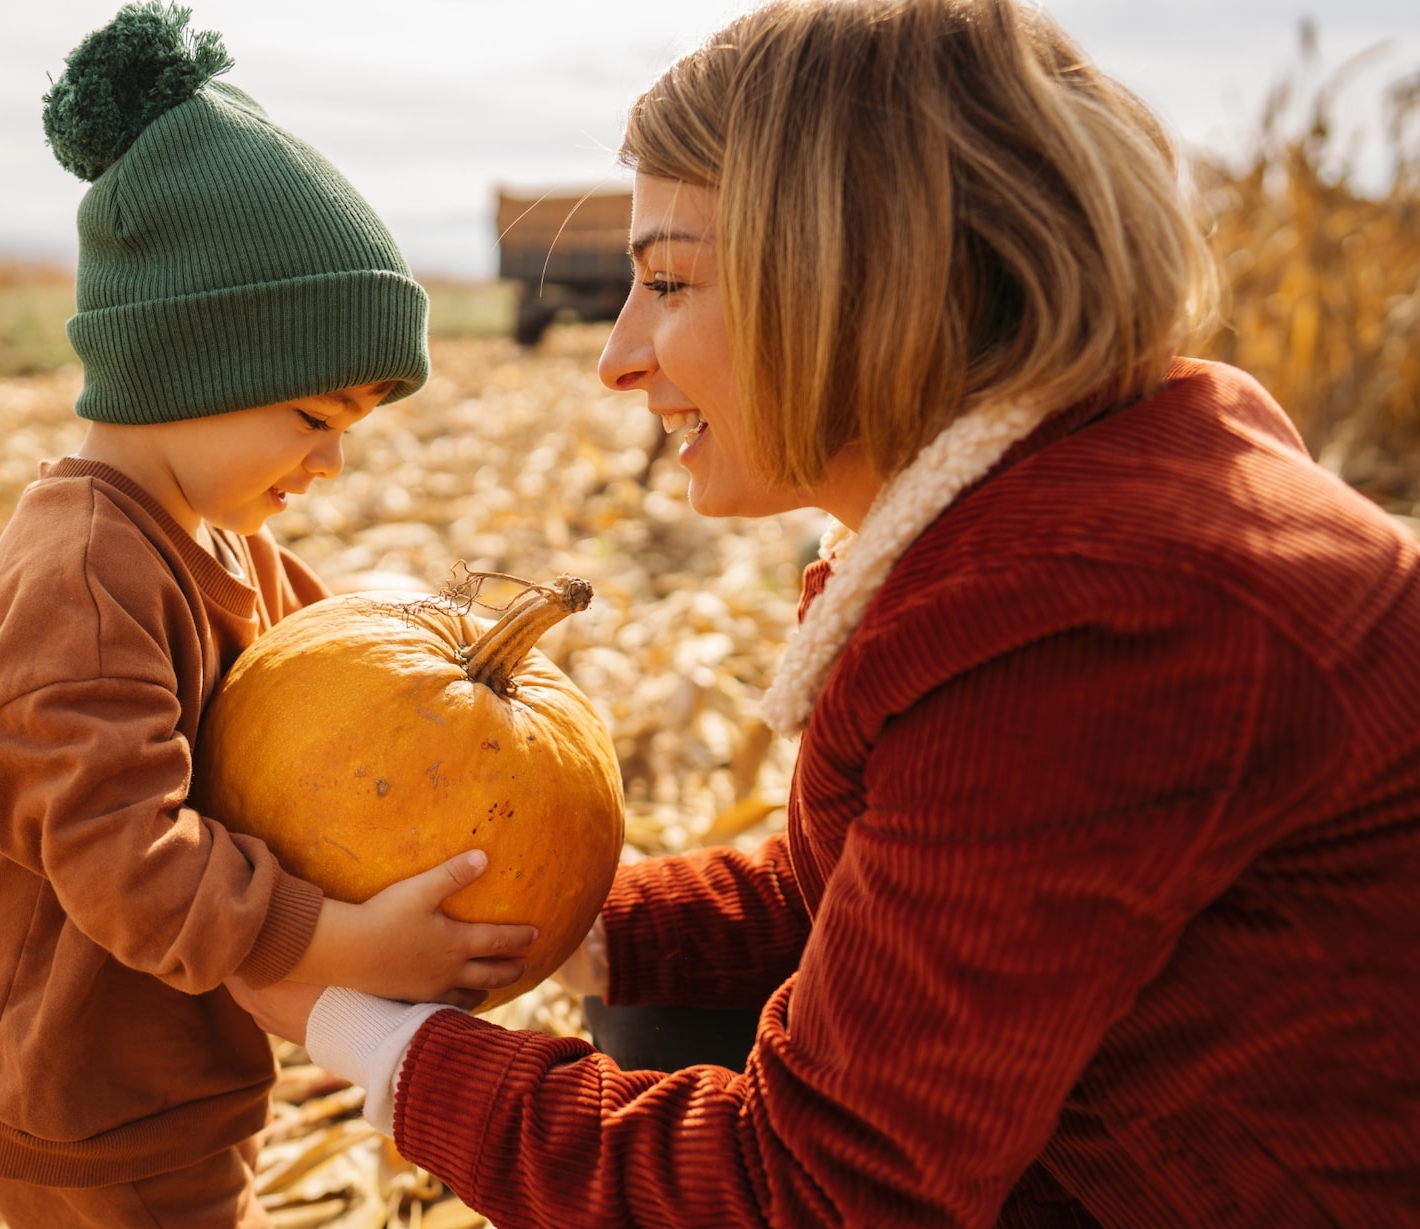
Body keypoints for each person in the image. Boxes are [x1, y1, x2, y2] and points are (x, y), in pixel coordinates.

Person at [229, 0, 1420, 1224]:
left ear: (858, 276)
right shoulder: (1102, 481)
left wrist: (353, 1025)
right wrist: (521, 929)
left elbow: (809, 1192)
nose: (617, 356)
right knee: (659, 1006)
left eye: (670, 280)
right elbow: (854, 896)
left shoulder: (1095, 617)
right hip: (1159, 1149)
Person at [0, 6, 535, 1227]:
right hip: (76, 1075)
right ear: (194, 366)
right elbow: (123, 858)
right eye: (314, 417)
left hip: (155, 1050)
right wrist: (341, 945)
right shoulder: (81, 581)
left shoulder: (216, 534)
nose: (332, 464)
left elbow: (322, 673)